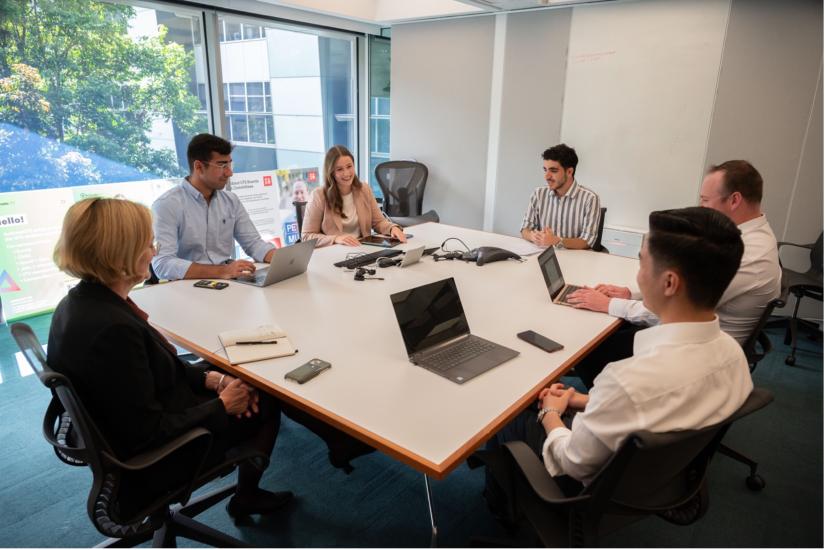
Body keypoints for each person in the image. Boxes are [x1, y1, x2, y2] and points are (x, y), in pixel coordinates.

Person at [48, 198, 291, 519]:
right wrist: (222, 405)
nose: (154, 251)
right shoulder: (113, 330)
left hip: (126, 425)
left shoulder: (81, 303)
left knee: (228, 374)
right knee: (265, 399)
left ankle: (247, 490)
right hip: (155, 457)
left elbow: (154, 367)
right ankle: (246, 496)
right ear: (120, 253)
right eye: (148, 243)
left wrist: (211, 379)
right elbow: (147, 431)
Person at [491, 207, 753, 486]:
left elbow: (571, 461)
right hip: (661, 478)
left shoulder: (625, 381)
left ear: (669, 283)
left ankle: (504, 506)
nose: (638, 276)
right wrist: (585, 400)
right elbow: (655, 407)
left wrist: (551, 412)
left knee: (506, 411)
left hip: (589, 489)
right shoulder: (734, 355)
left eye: (642, 264)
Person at [567, 160, 781, 386]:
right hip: (707, 341)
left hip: (694, 353)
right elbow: (684, 289)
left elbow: (678, 305)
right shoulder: (748, 240)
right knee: (611, 327)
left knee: (591, 346)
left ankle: (595, 394)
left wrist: (608, 304)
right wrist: (631, 294)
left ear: (735, 200)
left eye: (705, 200)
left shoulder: (747, 255)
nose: (701, 208)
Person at [152, 133, 276, 281]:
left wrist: (280, 259)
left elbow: (253, 244)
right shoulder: (167, 205)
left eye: (229, 164)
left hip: (226, 281)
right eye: (222, 165)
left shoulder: (230, 200)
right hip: (186, 286)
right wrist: (221, 271)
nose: (229, 172)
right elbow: (163, 264)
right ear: (198, 166)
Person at [302, 145, 406, 247]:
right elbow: (306, 236)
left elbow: (378, 222)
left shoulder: (364, 189)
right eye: (339, 169)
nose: (346, 173)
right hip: (333, 252)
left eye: (349, 166)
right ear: (331, 172)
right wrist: (335, 239)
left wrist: (392, 228)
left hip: (362, 248)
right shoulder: (319, 196)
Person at [520, 144, 601, 250]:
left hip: (575, 260)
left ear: (569, 172)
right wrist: (533, 236)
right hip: (544, 257)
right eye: (545, 170)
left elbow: (587, 242)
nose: (546, 176)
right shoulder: (539, 194)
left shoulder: (590, 198)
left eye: (553, 171)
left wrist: (557, 241)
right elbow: (524, 229)